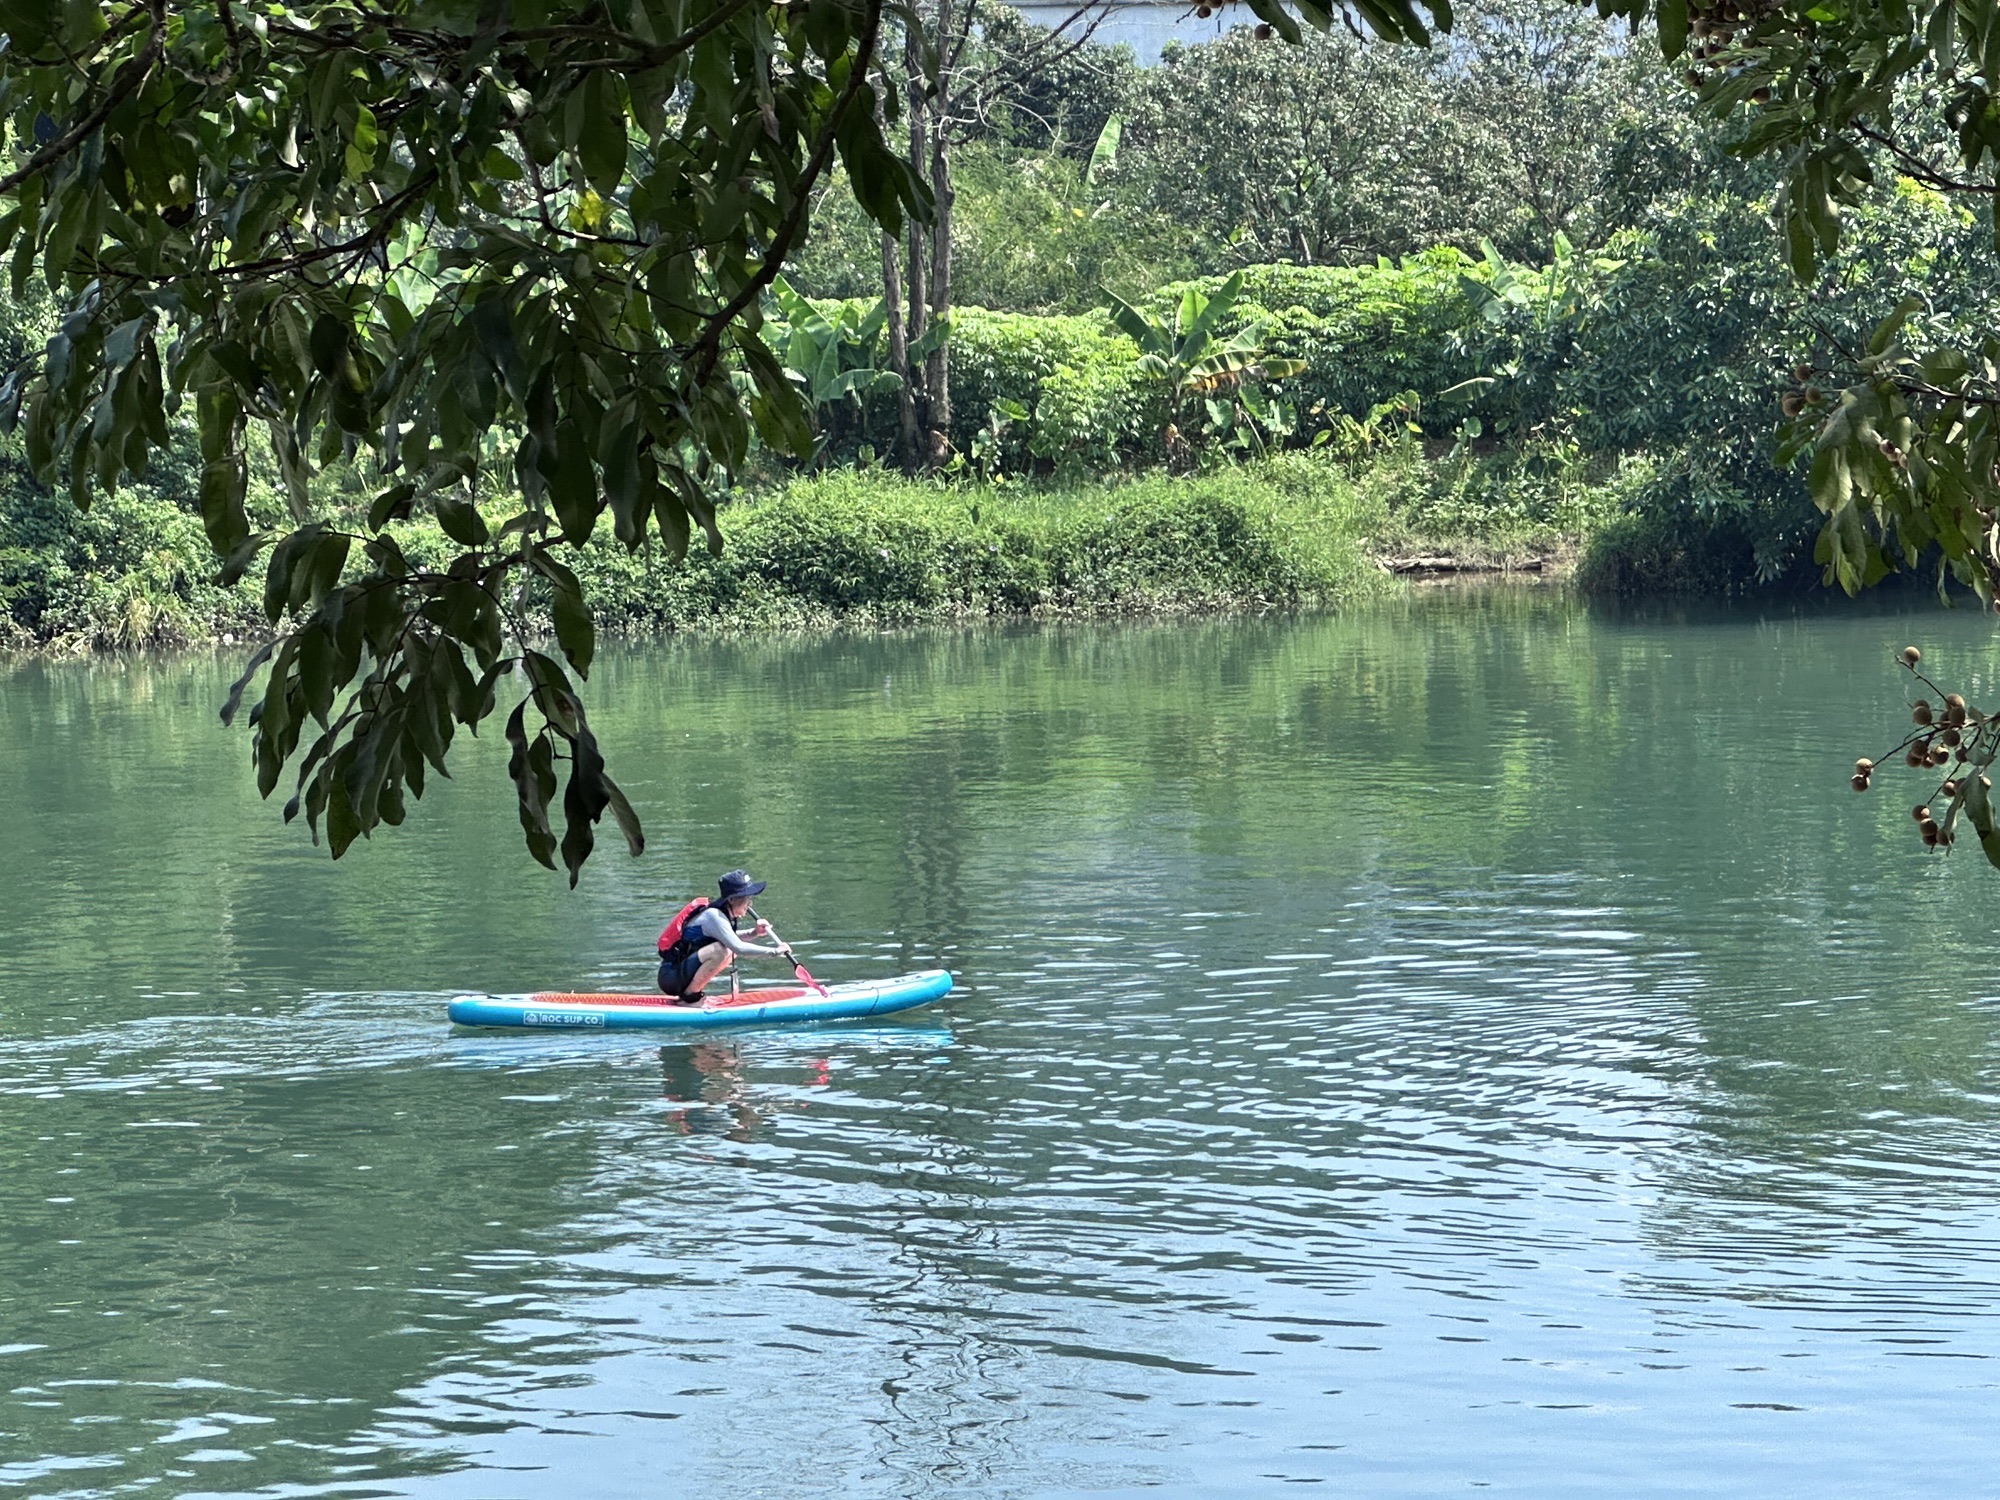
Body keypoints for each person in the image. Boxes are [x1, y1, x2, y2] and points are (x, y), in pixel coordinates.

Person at [657, 869, 786, 1005]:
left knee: (728, 950)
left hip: (679, 975)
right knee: (721, 950)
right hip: (670, 976)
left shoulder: (720, 914)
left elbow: (731, 940)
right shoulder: (713, 916)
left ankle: (692, 994)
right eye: (746, 898)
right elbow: (739, 947)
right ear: (731, 899)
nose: (750, 904)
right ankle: (690, 998)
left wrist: (753, 933)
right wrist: (775, 952)